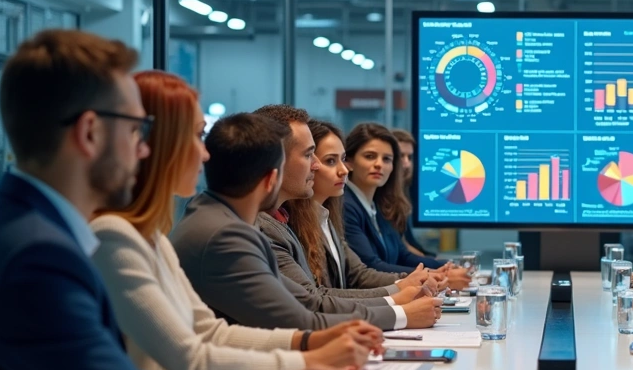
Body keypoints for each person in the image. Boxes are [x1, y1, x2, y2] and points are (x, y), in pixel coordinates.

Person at [0, 30, 378, 370]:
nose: (145, 149)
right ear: (91, 132)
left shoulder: (30, 231)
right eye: (137, 130)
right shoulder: (37, 257)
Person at [91, 71, 382, 370]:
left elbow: (209, 333)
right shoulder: (118, 238)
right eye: (197, 136)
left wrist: (309, 341)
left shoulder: (153, 238)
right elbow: (191, 358)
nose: (204, 154)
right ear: (160, 144)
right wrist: (309, 361)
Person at [170, 113, 440, 331]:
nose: (316, 166)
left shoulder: (236, 222)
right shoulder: (227, 233)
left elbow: (305, 302)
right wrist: (399, 310)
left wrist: (399, 298)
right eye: (310, 155)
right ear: (274, 172)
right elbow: (305, 313)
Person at [251, 106, 430, 332]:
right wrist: (398, 305)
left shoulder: (319, 215)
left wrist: (407, 285)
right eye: (311, 156)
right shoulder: (271, 226)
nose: (343, 170)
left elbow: (355, 275)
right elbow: (314, 301)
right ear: (275, 162)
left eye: (342, 159)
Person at [344, 122, 459, 275]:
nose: (379, 164)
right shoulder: (346, 206)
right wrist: (437, 275)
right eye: (370, 156)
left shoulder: (378, 204)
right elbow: (371, 266)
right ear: (349, 162)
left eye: (386, 159)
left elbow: (402, 255)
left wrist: (445, 265)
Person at [391, 127, 436, 258]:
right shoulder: (381, 199)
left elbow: (410, 242)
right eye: (401, 156)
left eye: (409, 157)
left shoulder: (403, 192)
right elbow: (403, 248)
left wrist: (434, 259)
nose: (406, 164)